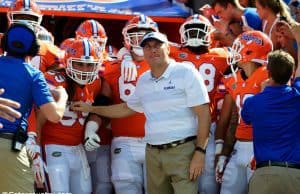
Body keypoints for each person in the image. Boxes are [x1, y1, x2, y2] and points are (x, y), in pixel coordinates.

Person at [72, 31, 211, 194]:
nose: (153, 50)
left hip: (182, 149)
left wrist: (200, 151)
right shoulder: (144, 80)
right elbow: (126, 108)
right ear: (143, 51)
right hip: (152, 151)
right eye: (148, 47)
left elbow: (204, 114)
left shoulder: (186, 72)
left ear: (167, 48)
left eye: (157, 46)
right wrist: (91, 109)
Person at [0, 22, 68, 192]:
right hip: (9, 145)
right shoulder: (33, 75)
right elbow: (54, 116)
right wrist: (63, 96)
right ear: (34, 48)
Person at [38, 38, 107, 194]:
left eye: (90, 65)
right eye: (79, 64)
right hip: (53, 147)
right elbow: (38, 119)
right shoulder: (53, 80)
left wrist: (91, 130)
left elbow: (98, 109)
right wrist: (35, 150)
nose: (84, 69)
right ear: (68, 62)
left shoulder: (96, 82)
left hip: (78, 149)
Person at [171, 14, 228, 194]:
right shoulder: (173, 53)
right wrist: (125, 54)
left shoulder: (221, 55)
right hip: (182, 122)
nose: (195, 35)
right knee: (180, 172)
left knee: (208, 173)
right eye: (191, 31)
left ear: (208, 34)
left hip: (207, 122)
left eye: (199, 31)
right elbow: (144, 47)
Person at [241, 23, 300, 194]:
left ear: (268, 73)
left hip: (264, 174)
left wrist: (262, 92)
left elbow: (246, 117)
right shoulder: (297, 97)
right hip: (295, 175)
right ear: (291, 74)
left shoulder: (253, 102)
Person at [102, 15, 158, 194]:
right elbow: (103, 98)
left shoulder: (168, 64)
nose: (141, 40)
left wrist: (124, 54)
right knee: (126, 188)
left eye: (146, 35)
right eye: (136, 34)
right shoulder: (112, 67)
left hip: (157, 140)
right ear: (126, 37)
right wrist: (124, 56)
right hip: (124, 141)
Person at [214, 30, 273, 194]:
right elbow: (234, 119)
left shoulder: (268, 77)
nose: (235, 51)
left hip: (259, 146)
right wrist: (224, 154)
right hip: (239, 146)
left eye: (239, 47)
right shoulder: (235, 78)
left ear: (250, 51)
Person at [75, 19, 114, 194]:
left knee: (104, 184)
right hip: (73, 138)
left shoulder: (111, 62)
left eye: (99, 43)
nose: (96, 48)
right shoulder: (70, 59)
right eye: (92, 43)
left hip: (103, 134)